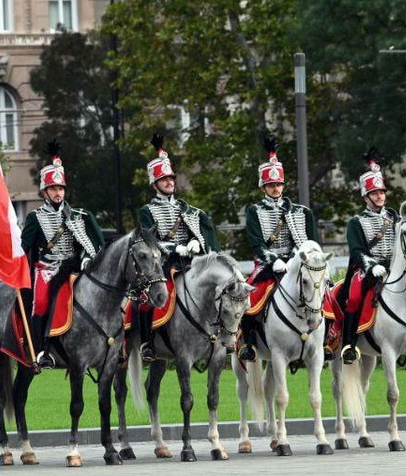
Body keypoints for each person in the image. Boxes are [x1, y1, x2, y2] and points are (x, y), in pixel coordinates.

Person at [338, 151, 406, 365]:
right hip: (367, 268)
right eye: (374, 193)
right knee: (355, 296)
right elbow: (357, 251)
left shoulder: (395, 217)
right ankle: (349, 343)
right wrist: (371, 265)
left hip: (396, 268)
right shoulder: (356, 222)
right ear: (365, 196)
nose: (380, 196)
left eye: (381, 192)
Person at [135, 134, 220, 362]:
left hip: (192, 262)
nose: (169, 182)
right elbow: (149, 240)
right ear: (155, 184)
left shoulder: (189, 209)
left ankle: (224, 335)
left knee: (222, 289)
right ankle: (147, 343)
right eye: (164, 179)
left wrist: (195, 242)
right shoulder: (147, 211)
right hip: (163, 265)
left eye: (171, 178)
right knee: (146, 299)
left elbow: (201, 234)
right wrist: (174, 248)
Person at [21, 141, 105, 369]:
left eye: (61, 188)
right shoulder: (35, 217)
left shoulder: (81, 215)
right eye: (53, 189)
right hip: (47, 269)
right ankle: (40, 351)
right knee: (40, 304)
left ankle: (111, 345)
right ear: (44, 192)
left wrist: (88, 258)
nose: (58, 193)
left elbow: (96, 244)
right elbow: (24, 247)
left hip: (76, 269)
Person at [238, 137, 321, 362]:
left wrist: (297, 258)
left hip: (298, 262)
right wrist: (272, 258)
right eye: (272, 185)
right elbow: (256, 242)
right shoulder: (255, 211)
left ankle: (330, 339)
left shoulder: (302, 212)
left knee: (326, 293)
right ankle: (249, 343)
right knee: (249, 298)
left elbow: (312, 243)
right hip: (268, 264)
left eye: (279, 184)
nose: (276, 189)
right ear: (264, 186)